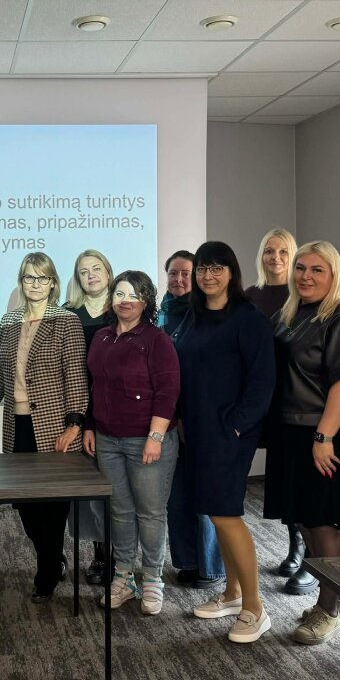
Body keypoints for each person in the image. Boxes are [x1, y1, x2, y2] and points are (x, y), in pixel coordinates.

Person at [263, 242, 340, 646]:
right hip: (291, 432)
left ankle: (329, 610)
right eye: (301, 268)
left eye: (317, 270)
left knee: (324, 523)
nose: (305, 276)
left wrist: (324, 437)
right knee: (306, 521)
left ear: (334, 274)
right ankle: (339, 593)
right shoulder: (289, 314)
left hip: (327, 433)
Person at [180, 242, 275, 643]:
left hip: (229, 432)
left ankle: (255, 608)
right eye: (202, 268)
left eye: (217, 268)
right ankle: (233, 594)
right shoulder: (195, 315)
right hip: (198, 429)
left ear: (232, 272)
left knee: (225, 514)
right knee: (217, 512)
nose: (208, 275)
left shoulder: (247, 318)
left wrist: (236, 426)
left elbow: (263, 381)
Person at [0, 252, 88, 602]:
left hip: (55, 428)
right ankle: (52, 557)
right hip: (18, 427)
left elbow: (75, 376)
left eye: (42, 278)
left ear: (53, 283)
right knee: (27, 507)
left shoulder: (67, 321)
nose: (35, 284)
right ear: (21, 281)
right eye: (29, 277)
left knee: (53, 507)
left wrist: (74, 423)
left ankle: (47, 571)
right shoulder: (8, 321)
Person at [84, 271, 180, 615]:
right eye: (120, 294)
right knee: (120, 512)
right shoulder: (101, 337)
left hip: (147, 440)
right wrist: (90, 426)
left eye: (134, 295)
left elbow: (168, 392)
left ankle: (152, 579)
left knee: (150, 513)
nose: (126, 301)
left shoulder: (157, 340)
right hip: (107, 440)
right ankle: (124, 577)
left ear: (146, 301)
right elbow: (95, 386)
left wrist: (155, 436)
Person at [245, 227, 311, 591]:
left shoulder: (302, 294)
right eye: (270, 251)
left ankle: (300, 549)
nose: (276, 258)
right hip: (262, 397)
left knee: (299, 477)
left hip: (296, 398)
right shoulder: (249, 296)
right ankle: (292, 544)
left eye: (284, 252)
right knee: (282, 476)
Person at [161, 249, 226, 591]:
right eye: (173, 273)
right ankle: (187, 561)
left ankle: (211, 566)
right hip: (170, 420)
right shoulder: (158, 313)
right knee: (177, 496)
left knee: (206, 496)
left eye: (186, 273)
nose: (179, 279)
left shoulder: (208, 314)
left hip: (203, 418)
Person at [63, 249, 114, 585]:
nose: (91, 275)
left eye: (96, 269)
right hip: (80, 407)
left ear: (108, 273)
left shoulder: (123, 308)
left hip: (116, 407)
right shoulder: (68, 313)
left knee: (117, 487)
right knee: (90, 490)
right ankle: (100, 553)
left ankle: (121, 556)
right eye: (84, 271)